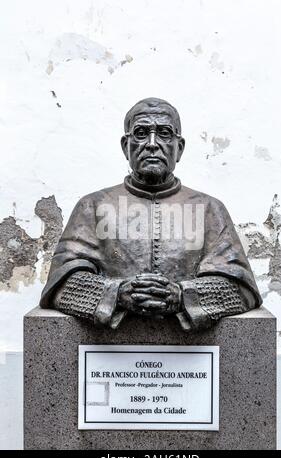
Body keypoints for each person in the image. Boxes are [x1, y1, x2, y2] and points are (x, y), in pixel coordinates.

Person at [40, 97, 262, 330]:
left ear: (180, 148)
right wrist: (116, 294)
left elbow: (241, 289)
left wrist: (183, 296)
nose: (152, 143)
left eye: (165, 133)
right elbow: (61, 285)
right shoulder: (92, 206)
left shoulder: (210, 209)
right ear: (126, 146)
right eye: (141, 133)